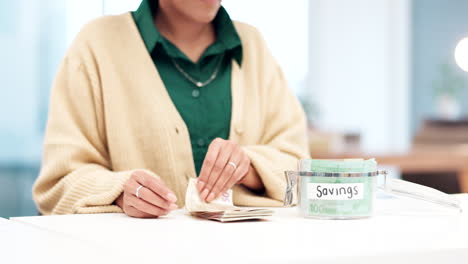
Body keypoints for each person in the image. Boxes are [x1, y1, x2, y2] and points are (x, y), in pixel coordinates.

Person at [33, 0, 309, 218]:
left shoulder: (253, 44)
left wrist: (249, 167)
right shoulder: (96, 44)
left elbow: (301, 172)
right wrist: (117, 193)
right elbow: (58, 183)